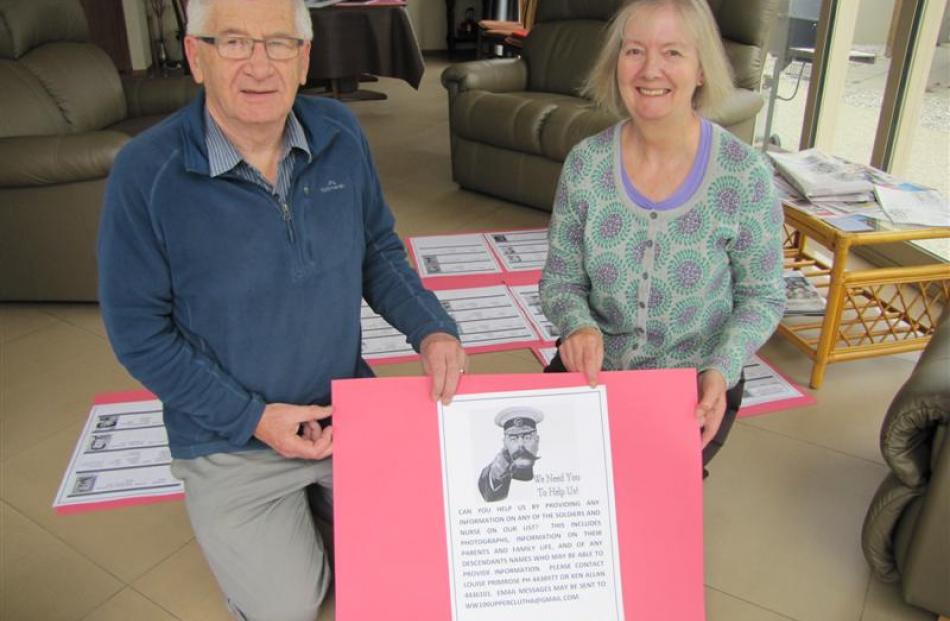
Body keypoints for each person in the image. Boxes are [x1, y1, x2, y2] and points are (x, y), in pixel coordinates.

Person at [97, 0, 466, 619]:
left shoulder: (340, 134)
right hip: (230, 439)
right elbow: (139, 334)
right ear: (196, 57)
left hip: (344, 411)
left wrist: (431, 329)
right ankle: (289, 531)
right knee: (292, 608)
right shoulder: (145, 174)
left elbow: (375, 248)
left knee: (419, 567)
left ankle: (323, 517)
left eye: (279, 44)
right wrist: (253, 418)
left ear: (305, 60)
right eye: (234, 42)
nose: (259, 65)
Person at [539, 0, 785, 475]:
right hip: (592, 373)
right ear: (615, 65)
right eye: (634, 51)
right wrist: (578, 326)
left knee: (643, 495)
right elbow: (561, 281)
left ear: (701, 70)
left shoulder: (744, 174)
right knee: (548, 483)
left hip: (694, 384)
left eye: (673, 52)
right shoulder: (585, 165)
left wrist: (722, 368)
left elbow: (763, 296)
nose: (650, 69)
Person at [478, 406, 544, 502]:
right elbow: (489, 492)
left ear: (537, 440)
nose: (521, 444)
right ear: (505, 443)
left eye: (527, 437)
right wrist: (495, 474)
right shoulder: (499, 468)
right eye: (513, 438)